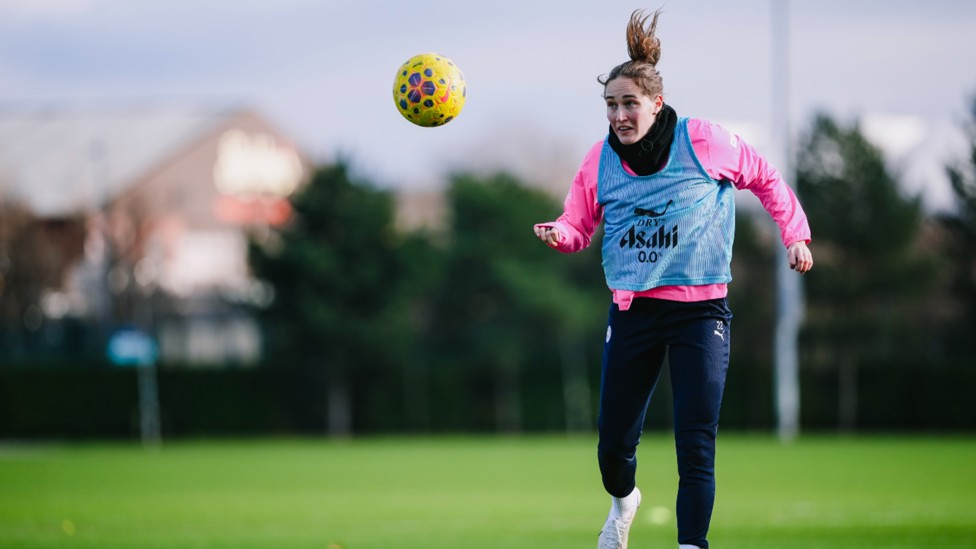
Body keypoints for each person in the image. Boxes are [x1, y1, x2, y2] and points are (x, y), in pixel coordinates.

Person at [533, 8, 813, 549]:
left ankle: (692, 544)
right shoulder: (599, 162)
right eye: (610, 105)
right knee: (612, 447)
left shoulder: (704, 141)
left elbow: (766, 177)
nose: (618, 114)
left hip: (700, 311)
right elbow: (578, 225)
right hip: (634, 311)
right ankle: (624, 501)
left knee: (695, 441)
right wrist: (558, 233)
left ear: (656, 103)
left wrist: (795, 234)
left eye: (628, 103)